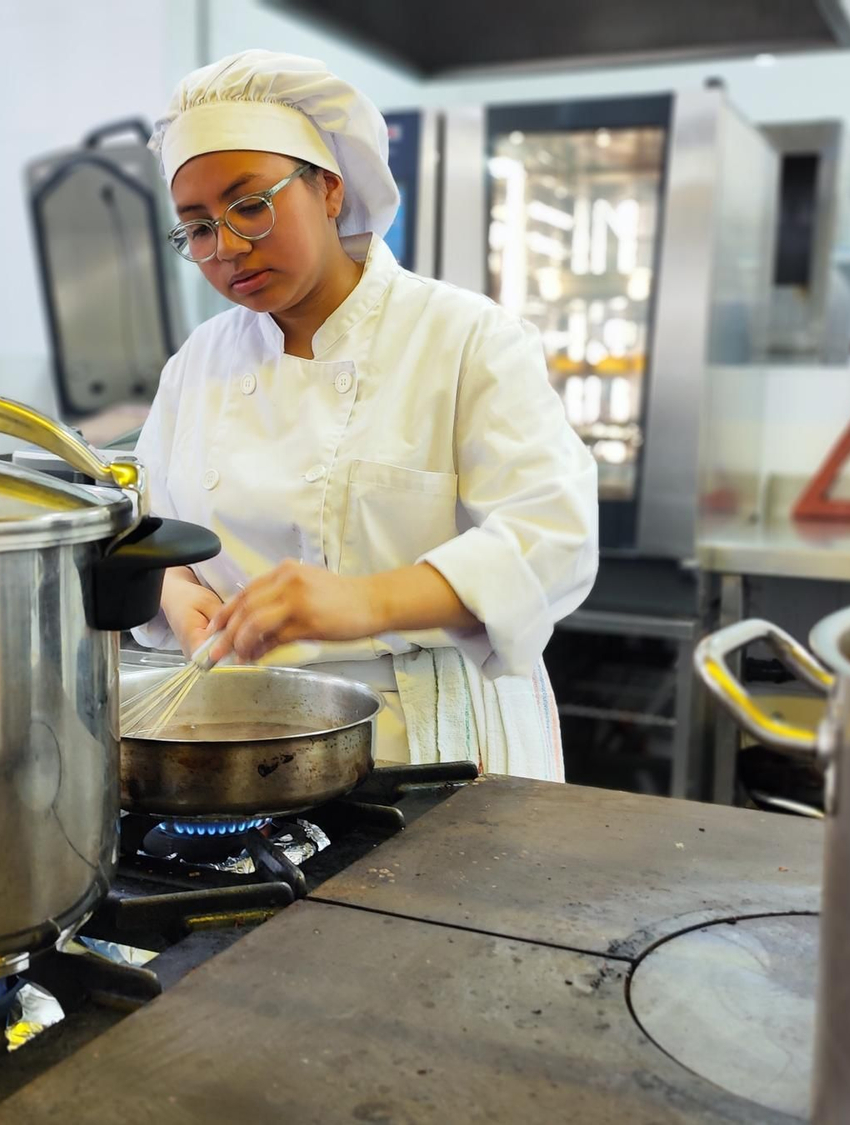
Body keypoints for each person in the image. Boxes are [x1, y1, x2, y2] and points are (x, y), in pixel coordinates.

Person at [132, 50, 600, 780]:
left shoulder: (463, 338)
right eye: (196, 228)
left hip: (437, 743)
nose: (226, 249)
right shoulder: (199, 360)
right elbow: (151, 522)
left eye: (249, 205)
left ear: (327, 189)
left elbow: (554, 540)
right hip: (246, 738)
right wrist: (177, 589)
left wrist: (367, 601)